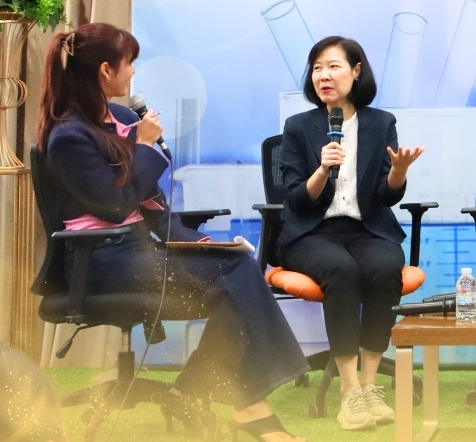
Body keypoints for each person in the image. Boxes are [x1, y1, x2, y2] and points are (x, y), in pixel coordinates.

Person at [38, 23, 308, 442]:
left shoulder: (122, 119)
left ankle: (212, 395)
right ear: (106, 71)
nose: (133, 72)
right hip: (100, 260)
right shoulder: (68, 136)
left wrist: (196, 242)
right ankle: (241, 406)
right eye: (129, 64)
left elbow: (152, 204)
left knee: (238, 266)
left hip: (138, 249)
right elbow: (115, 205)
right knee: (235, 279)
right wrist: (144, 148)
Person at [278, 36, 424, 431]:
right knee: (340, 270)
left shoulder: (381, 123)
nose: (323, 76)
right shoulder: (298, 127)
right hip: (312, 233)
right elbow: (295, 199)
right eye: (317, 68)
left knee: (385, 267)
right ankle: (348, 389)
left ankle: (369, 386)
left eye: (333, 66)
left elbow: (386, 195)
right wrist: (321, 170)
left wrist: (399, 172)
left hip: (366, 229)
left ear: (356, 71)